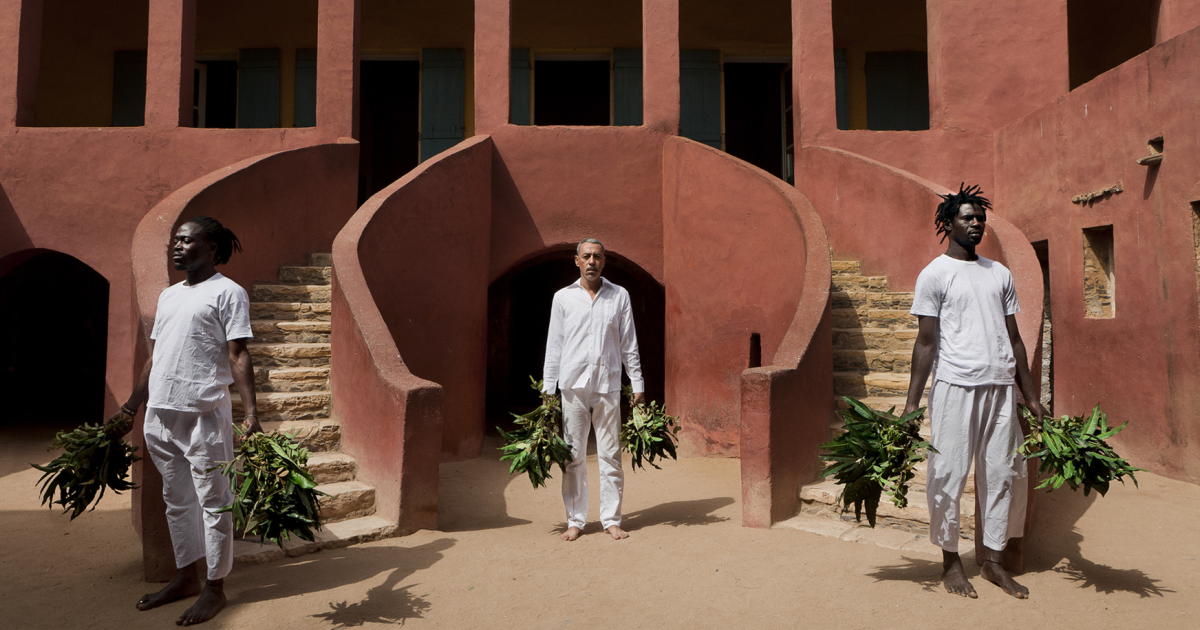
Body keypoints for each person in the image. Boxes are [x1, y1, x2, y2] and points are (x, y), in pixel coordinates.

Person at [106, 216, 260, 625]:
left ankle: (215, 588)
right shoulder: (170, 296)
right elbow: (156, 358)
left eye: (187, 241)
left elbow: (238, 354)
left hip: (204, 415)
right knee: (177, 500)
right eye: (175, 240)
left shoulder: (229, 293)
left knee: (214, 503)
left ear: (211, 249)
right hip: (161, 414)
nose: (176, 246)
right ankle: (185, 577)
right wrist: (131, 407)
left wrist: (251, 414)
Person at [903, 185, 1048, 600]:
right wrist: (912, 405)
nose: (975, 224)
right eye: (967, 218)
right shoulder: (934, 274)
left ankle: (993, 562)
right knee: (948, 475)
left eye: (979, 218)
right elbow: (926, 343)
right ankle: (951, 563)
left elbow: (1015, 339)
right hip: (954, 387)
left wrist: (1030, 395)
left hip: (1000, 388)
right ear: (947, 224)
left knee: (1002, 475)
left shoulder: (999, 273)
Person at [543, 238, 645, 541]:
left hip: (608, 386)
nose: (591, 261)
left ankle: (611, 519)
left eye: (597, 256)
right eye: (586, 256)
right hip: (572, 386)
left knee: (611, 455)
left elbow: (629, 344)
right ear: (576, 261)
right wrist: (549, 389)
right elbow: (554, 345)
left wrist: (637, 383)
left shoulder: (619, 296)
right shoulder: (562, 298)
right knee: (573, 456)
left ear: (604, 261)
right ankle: (575, 520)